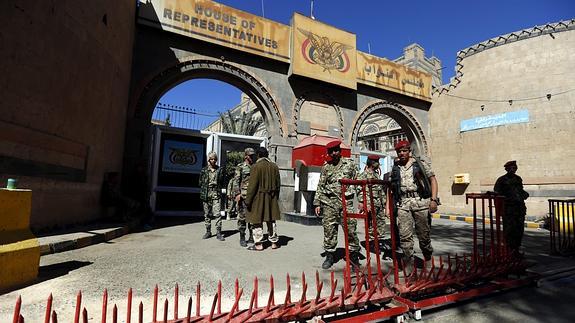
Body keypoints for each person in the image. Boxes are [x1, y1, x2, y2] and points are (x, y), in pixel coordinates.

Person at [313, 139, 361, 270]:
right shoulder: (326, 167)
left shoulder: (350, 164)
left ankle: (353, 256)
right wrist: (317, 203)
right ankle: (329, 255)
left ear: (340, 151)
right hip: (329, 203)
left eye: (336, 150)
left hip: (347, 203)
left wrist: (362, 201)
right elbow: (321, 185)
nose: (334, 153)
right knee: (329, 231)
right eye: (331, 151)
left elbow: (359, 182)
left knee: (350, 230)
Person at [390, 140, 438, 268]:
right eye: (399, 151)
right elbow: (392, 187)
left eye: (404, 151)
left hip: (420, 202)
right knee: (404, 236)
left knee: (424, 235)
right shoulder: (395, 167)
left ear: (409, 151)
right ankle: (408, 262)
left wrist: (433, 200)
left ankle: (427, 258)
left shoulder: (420, 164)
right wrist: (388, 206)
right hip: (403, 204)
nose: (401, 153)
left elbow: (432, 180)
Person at [245, 147, 281, 251]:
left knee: (257, 220)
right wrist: (275, 198)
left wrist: (248, 200)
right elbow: (278, 185)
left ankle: (258, 244)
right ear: (267, 155)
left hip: (258, 198)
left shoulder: (255, 167)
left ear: (258, 155)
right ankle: (274, 242)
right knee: (271, 219)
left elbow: (252, 186)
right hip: (272, 198)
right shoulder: (274, 166)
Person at [493, 160, 529, 255]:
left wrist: (524, 194)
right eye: (512, 168)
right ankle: (508, 250)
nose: (514, 169)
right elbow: (497, 193)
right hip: (509, 209)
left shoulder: (518, 179)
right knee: (509, 230)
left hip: (519, 208)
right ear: (507, 169)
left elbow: (520, 190)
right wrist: (501, 207)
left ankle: (516, 249)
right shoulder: (501, 180)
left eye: (515, 167)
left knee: (519, 230)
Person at [357, 155, 387, 247]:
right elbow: (360, 189)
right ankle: (370, 243)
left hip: (379, 204)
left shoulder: (376, 174)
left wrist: (384, 203)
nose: (379, 164)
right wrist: (364, 203)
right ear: (372, 163)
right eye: (377, 162)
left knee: (380, 224)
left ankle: (377, 242)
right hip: (370, 203)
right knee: (370, 224)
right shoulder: (364, 174)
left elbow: (380, 190)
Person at [199, 152, 226, 241]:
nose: (213, 161)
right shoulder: (204, 170)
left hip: (216, 193)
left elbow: (222, 181)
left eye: (214, 159)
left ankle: (218, 232)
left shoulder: (220, 170)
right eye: (211, 159)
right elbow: (200, 182)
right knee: (207, 214)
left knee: (217, 214)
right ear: (208, 160)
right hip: (206, 193)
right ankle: (208, 231)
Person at [234, 147, 256, 247]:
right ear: (246, 156)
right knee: (242, 218)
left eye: (253, 155)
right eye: (250, 155)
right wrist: (237, 194)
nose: (252, 157)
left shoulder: (255, 167)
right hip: (243, 196)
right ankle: (242, 237)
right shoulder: (240, 167)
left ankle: (252, 237)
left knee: (252, 218)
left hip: (253, 197)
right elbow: (236, 181)